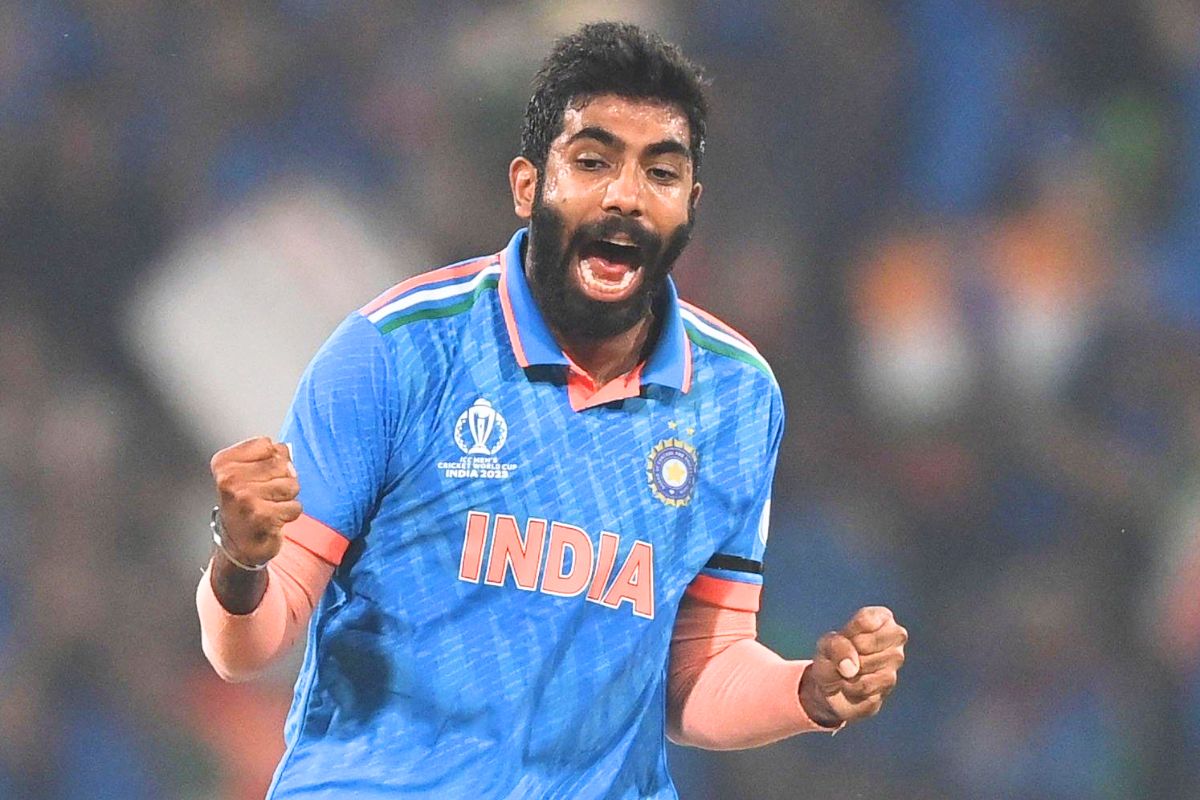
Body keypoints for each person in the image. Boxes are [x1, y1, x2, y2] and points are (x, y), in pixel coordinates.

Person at [196, 21, 907, 799]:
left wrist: (807, 693)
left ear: (690, 205)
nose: (626, 196)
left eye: (661, 173)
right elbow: (249, 646)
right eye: (593, 161)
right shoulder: (396, 352)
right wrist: (239, 560)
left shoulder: (736, 397)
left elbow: (700, 672)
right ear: (527, 185)